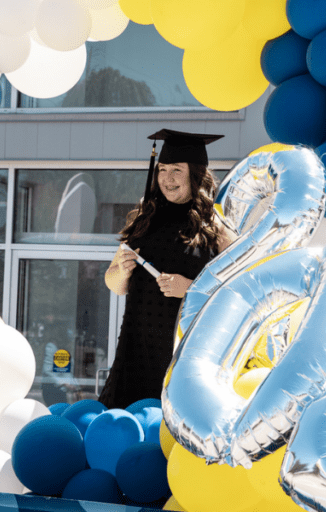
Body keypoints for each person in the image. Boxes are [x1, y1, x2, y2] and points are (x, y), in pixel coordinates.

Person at [98, 129, 233, 409]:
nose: (167, 178)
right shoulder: (142, 219)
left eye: (176, 170)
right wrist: (122, 270)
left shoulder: (216, 227)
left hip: (185, 352)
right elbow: (113, 284)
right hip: (136, 348)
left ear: (196, 174)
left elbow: (235, 292)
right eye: (162, 169)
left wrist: (190, 289)